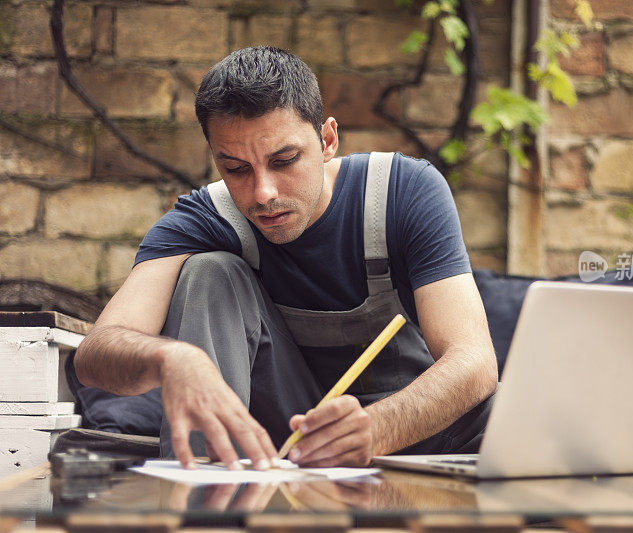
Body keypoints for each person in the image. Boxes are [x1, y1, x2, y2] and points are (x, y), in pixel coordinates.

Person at [74, 46, 498, 471]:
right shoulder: (206, 218)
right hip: (288, 451)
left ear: (327, 140)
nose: (263, 193)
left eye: (284, 161)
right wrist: (173, 358)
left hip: (421, 439)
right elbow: (95, 353)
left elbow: (474, 362)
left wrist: (376, 429)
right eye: (237, 168)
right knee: (208, 273)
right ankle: (207, 496)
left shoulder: (403, 191)